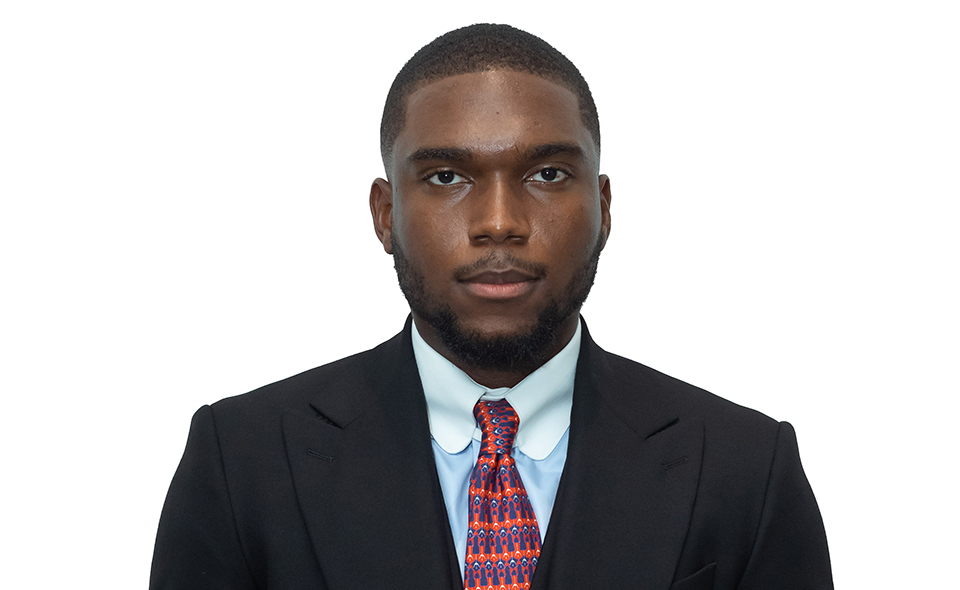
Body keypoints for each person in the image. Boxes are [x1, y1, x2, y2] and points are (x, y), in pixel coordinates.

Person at [150, 24, 832, 590]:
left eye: (547, 174)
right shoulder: (242, 462)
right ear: (386, 215)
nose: (499, 221)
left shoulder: (746, 468)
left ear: (603, 207)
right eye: (447, 177)